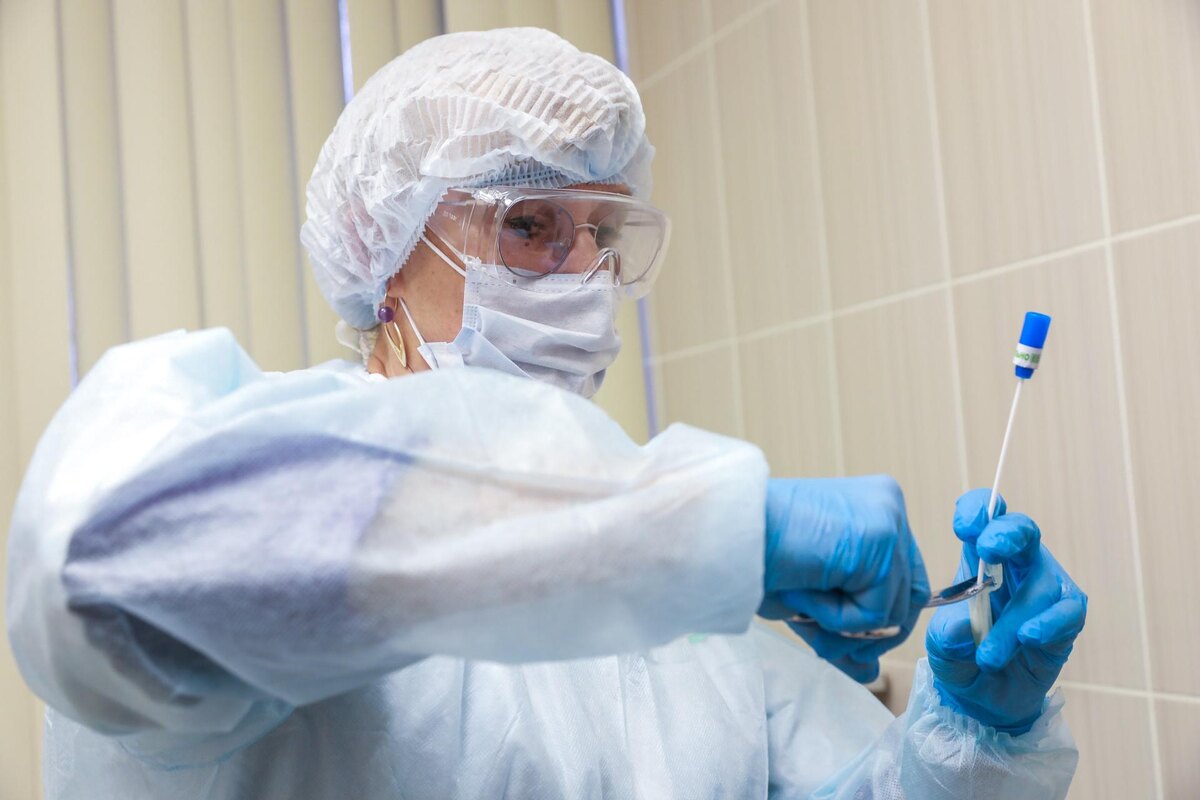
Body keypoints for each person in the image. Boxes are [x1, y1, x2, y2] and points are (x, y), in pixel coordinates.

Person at [5, 27, 1085, 799]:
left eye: (602, 236)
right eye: (529, 224)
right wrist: (708, 532)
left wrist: (972, 739)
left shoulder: (673, 596)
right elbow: (93, 582)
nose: (583, 279)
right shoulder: (252, 463)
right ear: (386, 251)